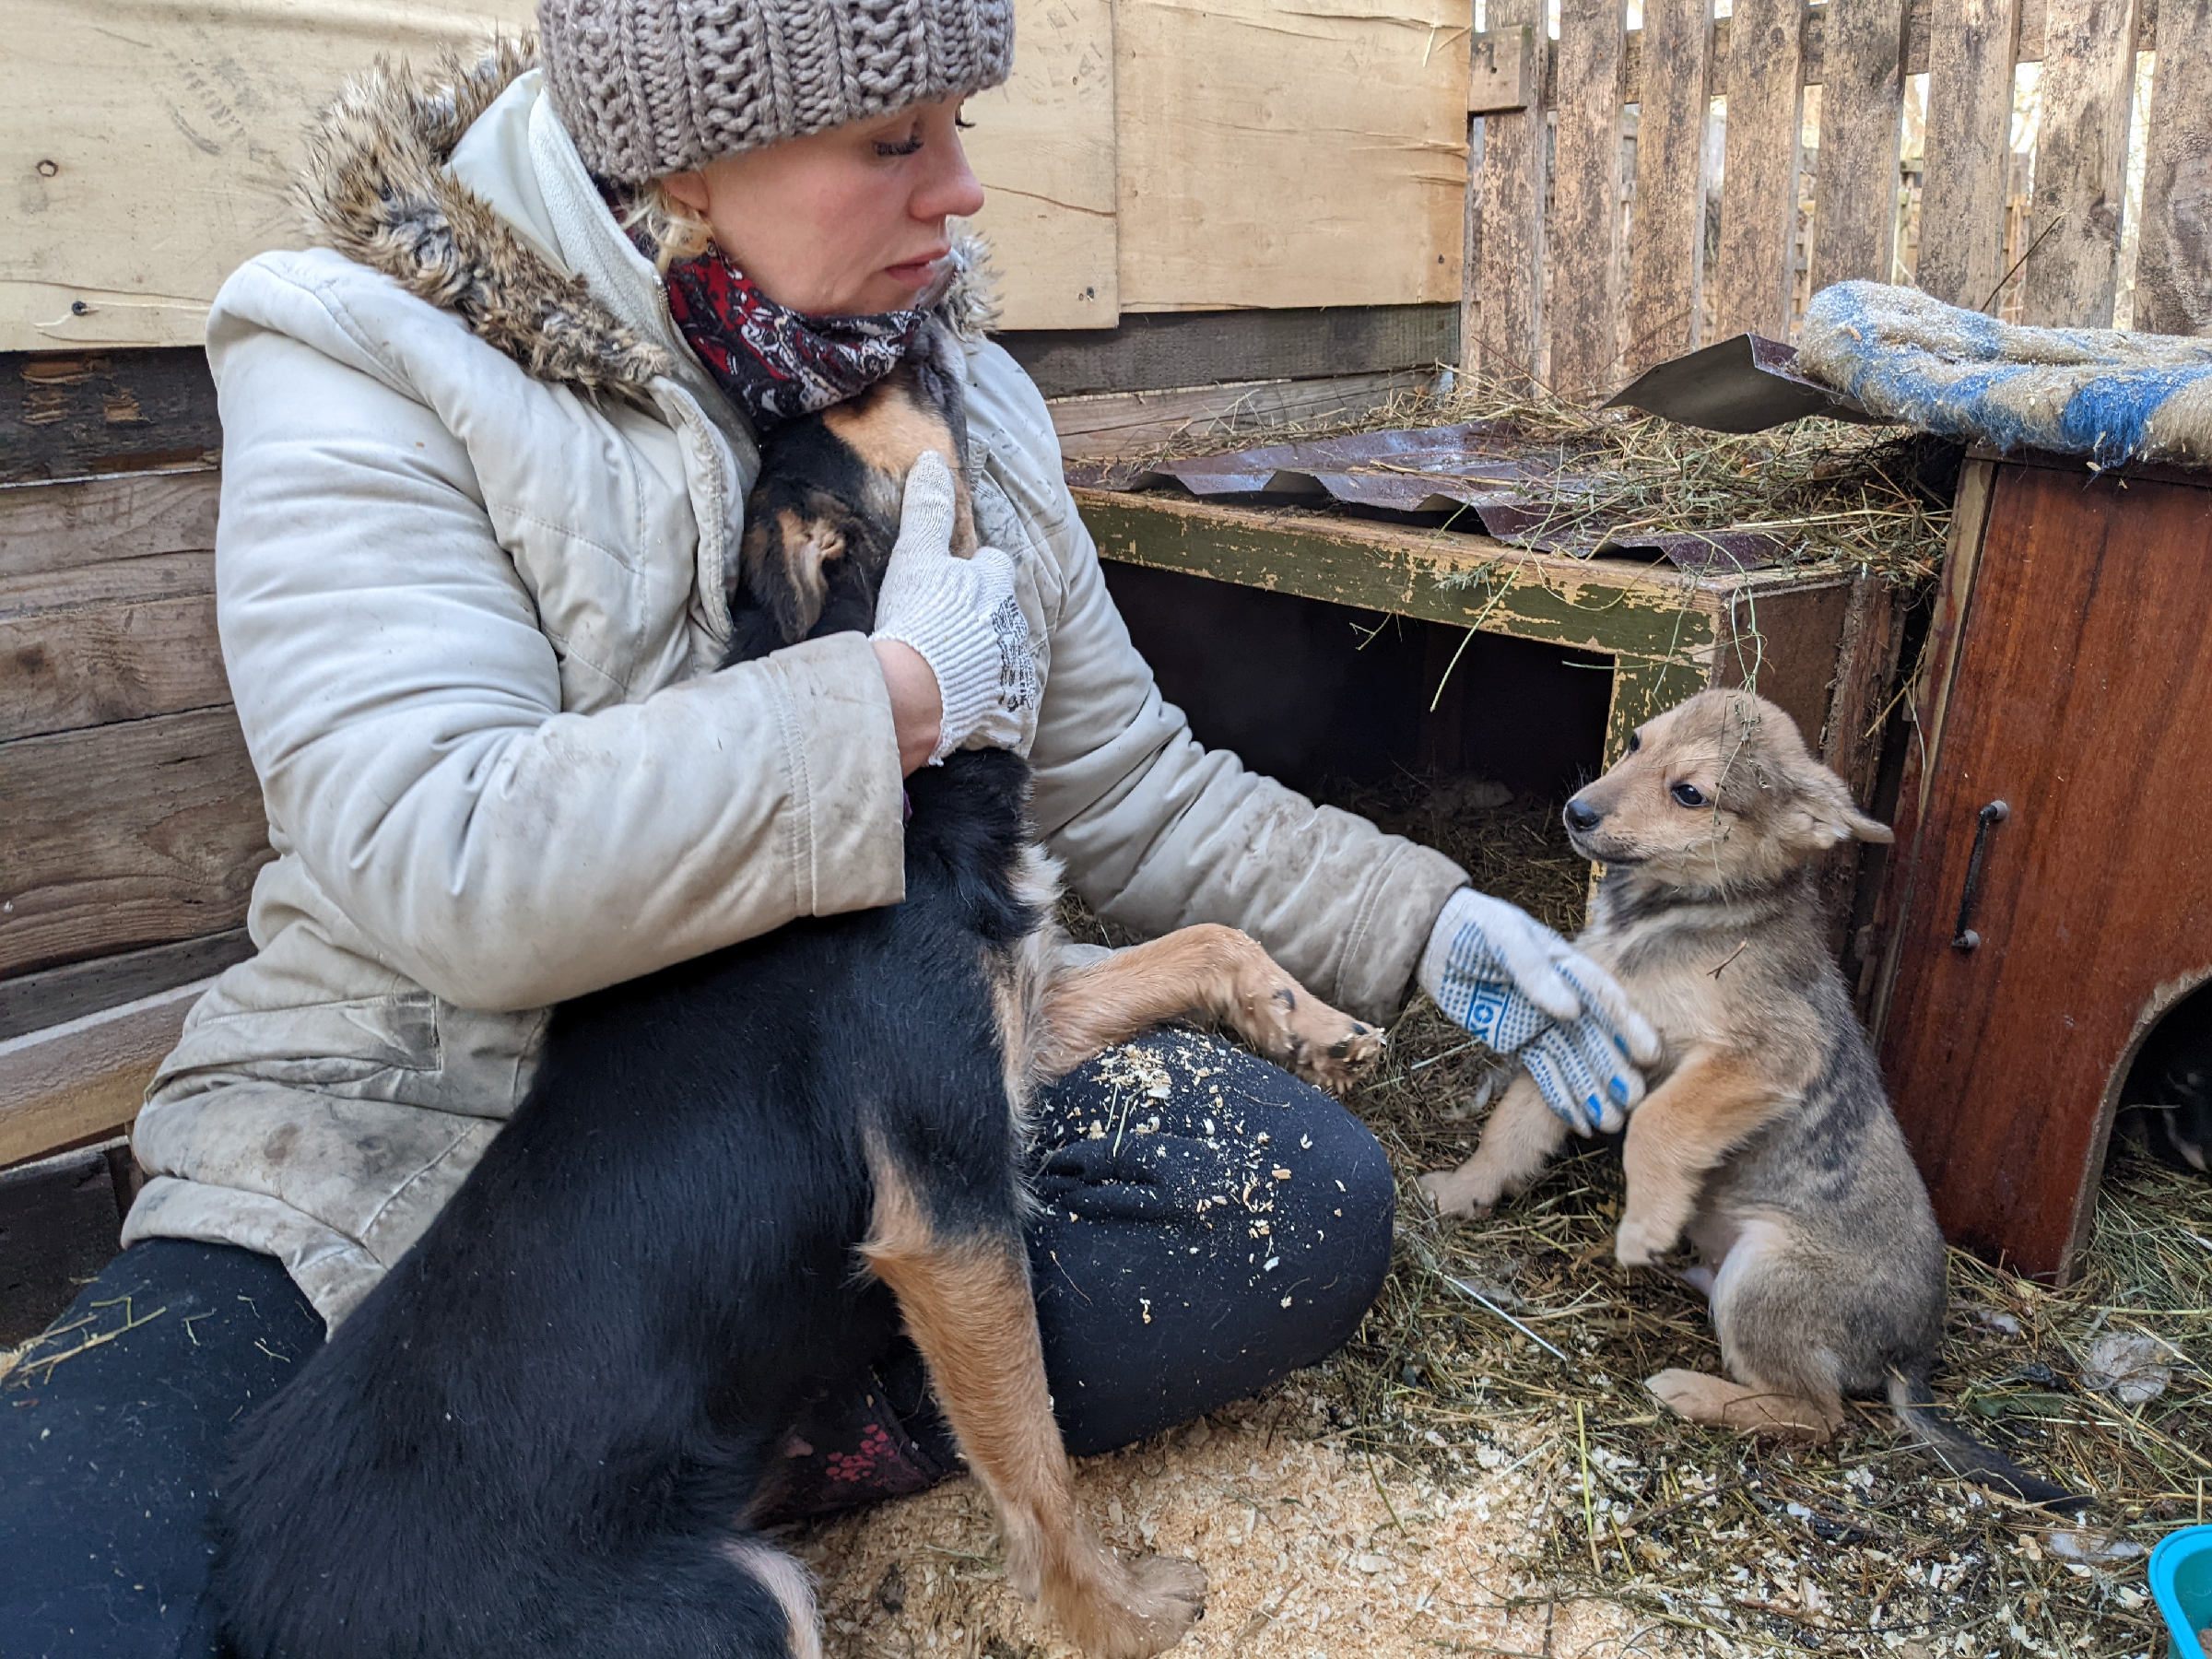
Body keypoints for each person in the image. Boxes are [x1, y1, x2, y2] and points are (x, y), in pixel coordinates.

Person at [0, 5, 1656, 1654]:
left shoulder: (968, 401)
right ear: (691, 163)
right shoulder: (372, 344)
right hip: (399, 1174)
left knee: (1294, 1198)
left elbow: (1125, 781)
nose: (962, 193)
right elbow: (445, 859)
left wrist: (1427, 918)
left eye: (962, 125)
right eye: (893, 142)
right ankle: (679, 1473)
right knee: (64, 1594)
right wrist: (896, 697)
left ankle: (729, 1454)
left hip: (805, 1150)